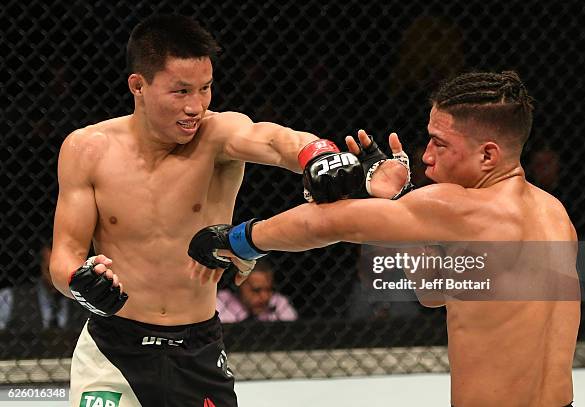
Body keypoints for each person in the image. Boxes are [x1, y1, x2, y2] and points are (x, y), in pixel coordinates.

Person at [49, 14, 408, 407]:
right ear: (138, 85)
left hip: (196, 345)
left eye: (205, 89)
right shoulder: (87, 149)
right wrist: (80, 284)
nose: (196, 107)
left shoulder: (215, 135)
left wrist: (318, 154)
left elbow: (273, 140)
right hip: (111, 348)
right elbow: (65, 255)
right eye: (180, 91)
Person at [190, 71, 580, 407]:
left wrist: (241, 239)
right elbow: (434, 292)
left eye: (440, 143)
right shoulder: (554, 214)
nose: (426, 155)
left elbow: (327, 223)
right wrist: (399, 200)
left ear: (488, 155)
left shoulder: (461, 207)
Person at [217, 260, 297, 323]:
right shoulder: (220, 304)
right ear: (238, 285)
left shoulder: (279, 303)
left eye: (269, 289)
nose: (265, 297)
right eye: (256, 290)